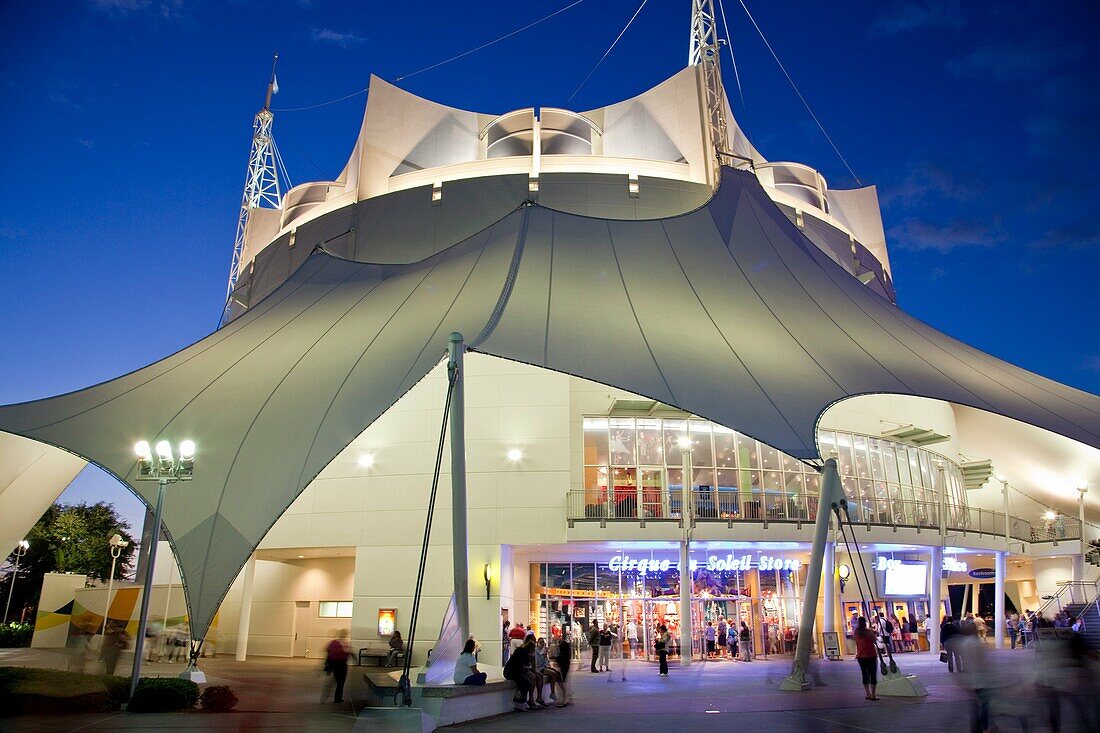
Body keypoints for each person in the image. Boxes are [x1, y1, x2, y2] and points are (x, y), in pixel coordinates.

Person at [323, 629, 352, 703]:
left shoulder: (333, 642)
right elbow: (348, 653)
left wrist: (327, 663)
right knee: (341, 682)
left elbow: (328, 651)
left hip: (334, 664)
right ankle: (338, 698)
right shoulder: (345, 643)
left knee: (335, 680)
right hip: (342, 665)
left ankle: (326, 695)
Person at [853, 617, 878, 701]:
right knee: (873, 674)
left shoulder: (856, 632)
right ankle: (873, 694)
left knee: (865, 674)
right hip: (871, 654)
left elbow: (856, 642)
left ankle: (868, 693)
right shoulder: (869, 632)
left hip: (861, 655)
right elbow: (874, 641)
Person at [535, 637, 562, 702]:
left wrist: (549, 665)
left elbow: (546, 661)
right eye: (540, 642)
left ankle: (560, 690)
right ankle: (552, 692)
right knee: (553, 673)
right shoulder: (536, 651)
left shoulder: (544, 650)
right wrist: (543, 655)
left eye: (543, 642)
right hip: (540, 668)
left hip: (545, 666)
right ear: (538, 643)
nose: (542, 644)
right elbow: (538, 663)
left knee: (557, 673)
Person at [553, 633, 573, 707]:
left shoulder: (560, 655)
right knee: (564, 682)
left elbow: (557, 658)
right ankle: (565, 698)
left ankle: (562, 699)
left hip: (561, 668)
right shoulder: (566, 654)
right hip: (565, 666)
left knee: (561, 684)